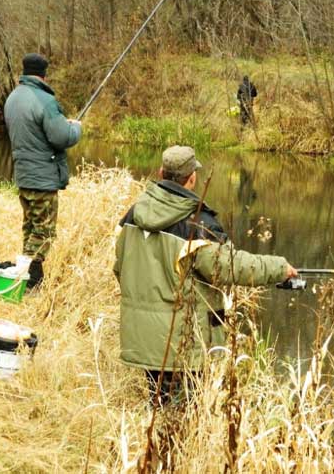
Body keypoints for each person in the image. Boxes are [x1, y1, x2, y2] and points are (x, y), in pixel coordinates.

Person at [113, 146, 298, 405]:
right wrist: (279, 268)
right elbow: (231, 267)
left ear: (161, 173)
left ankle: (155, 441)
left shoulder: (133, 215)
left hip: (144, 336)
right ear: (192, 178)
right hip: (183, 342)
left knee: (159, 402)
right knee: (181, 411)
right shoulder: (197, 224)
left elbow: (119, 268)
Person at [4, 53, 82, 289]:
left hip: (24, 175)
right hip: (42, 178)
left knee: (30, 226)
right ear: (44, 74)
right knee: (43, 230)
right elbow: (62, 137)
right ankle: (31, 281)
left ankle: (24, 275)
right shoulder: (44, 100)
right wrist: (76, 128)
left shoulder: (13, 97)